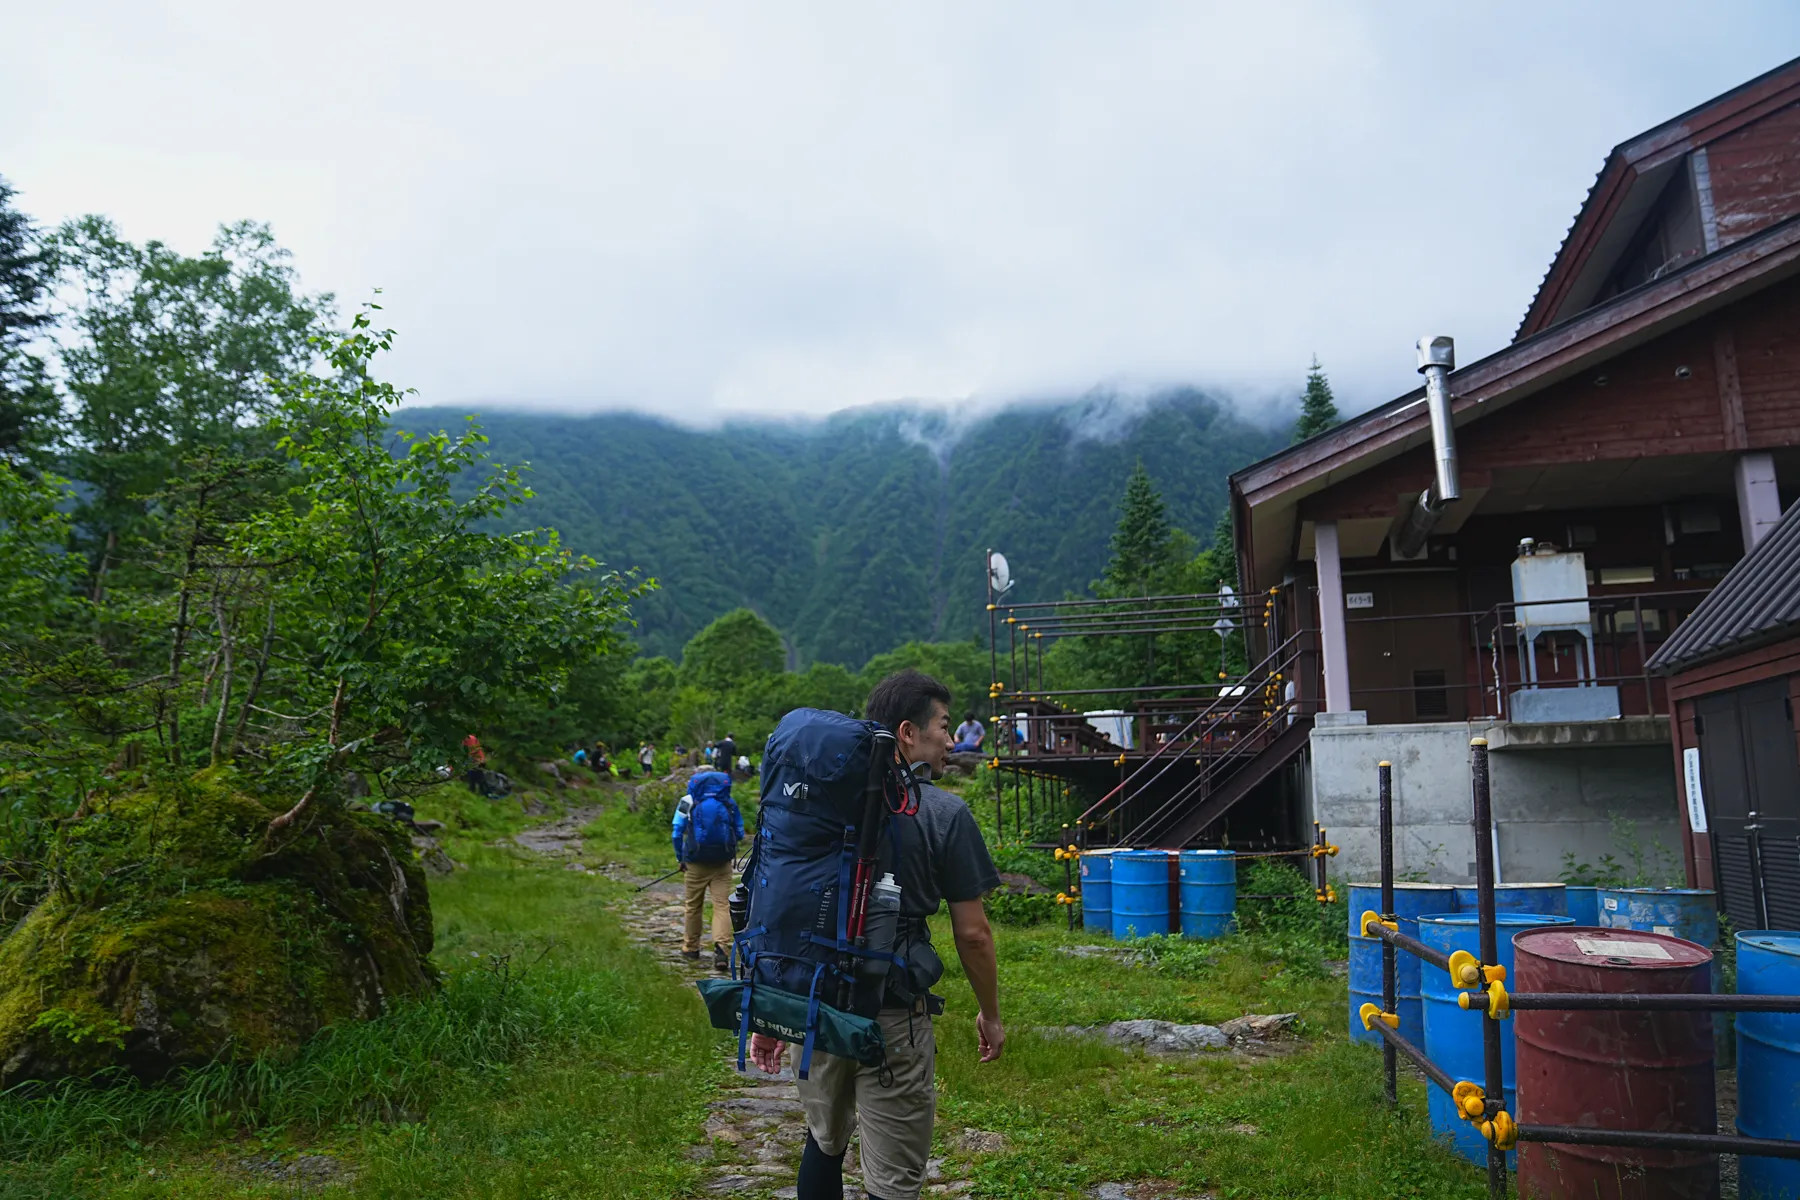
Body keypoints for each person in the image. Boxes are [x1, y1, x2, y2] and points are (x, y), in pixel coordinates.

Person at [750, 669, 1004, 1200]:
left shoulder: (817, 806)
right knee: (893, 1177)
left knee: (823, 1142)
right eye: (944, 725)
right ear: (908, 732)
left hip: (816, 1003)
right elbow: (974, 934)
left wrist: (773, 1010)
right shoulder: (943, 812)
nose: (952, 740)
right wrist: (991, 1013)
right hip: (892, 1015)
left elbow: (782, 902)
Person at [671, 769, 745, 972]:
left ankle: (691, 948)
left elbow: (677, 831)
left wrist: (681, 857)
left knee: (693, 906)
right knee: (722, 906)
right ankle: (721, 950)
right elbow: (739, 829)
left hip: (695, 862)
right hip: (722, 862)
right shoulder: (728, 801)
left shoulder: (688, 800)